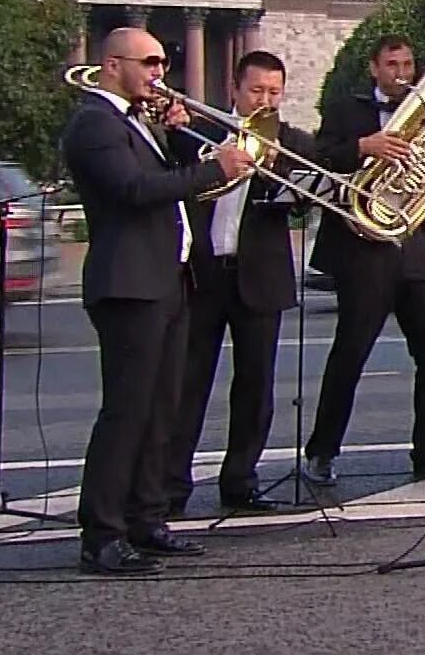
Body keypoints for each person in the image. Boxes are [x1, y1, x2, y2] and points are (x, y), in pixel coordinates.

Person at [60, 27, 253, 576]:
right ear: (113, 63)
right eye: (149, 63)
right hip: (129, 285)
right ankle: (101, 534)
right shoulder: (95, 122)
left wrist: (179, 142)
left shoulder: (132, 123)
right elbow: (133, 192)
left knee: (161, 407)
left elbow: (160, 177)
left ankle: (147, 520)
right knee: (126, 412)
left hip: (168, 281)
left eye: (163, 63)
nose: (158, 74)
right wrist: (214, 169)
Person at [301, 35, 425, 485]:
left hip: (414, 250)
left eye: (409, 64)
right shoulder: (346, 111)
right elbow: (318, 159)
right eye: (392, 64)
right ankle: (322, 451)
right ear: (374, 68)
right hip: (362, 251)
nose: (402, 73)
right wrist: (364, 147)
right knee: (351, 353)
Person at [166, 50, 320, 515]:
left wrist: (283, 173)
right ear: (235, 89)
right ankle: (171, 486)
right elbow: (174, 179)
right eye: (256, 91)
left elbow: (307, 198)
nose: (265, 101)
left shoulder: (291, 142)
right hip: (204, 273)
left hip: (261, 276)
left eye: (274, 93)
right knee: (187, 383)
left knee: (256, 386)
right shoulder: (202, 130)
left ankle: (241, 482)